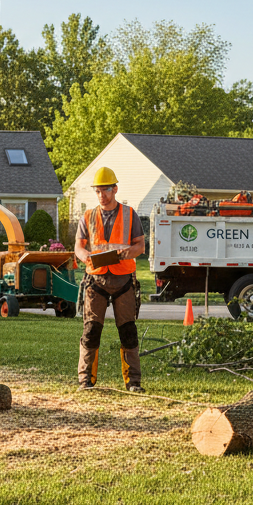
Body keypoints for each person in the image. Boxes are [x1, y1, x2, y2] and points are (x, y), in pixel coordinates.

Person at [74, 166, 146, 392]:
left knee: (128, 332)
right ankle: (85, 381)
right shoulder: (88, 216)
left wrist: (124, 253)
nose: (101, 195)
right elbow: (78, 247)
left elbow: (140, 246)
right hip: (96, 282)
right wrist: (85, 256)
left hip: (124, 281)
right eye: (97, 191)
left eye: (105, 190)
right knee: (91, 330)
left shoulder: (130, 214)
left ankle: (133, 382)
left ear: (115, 189)